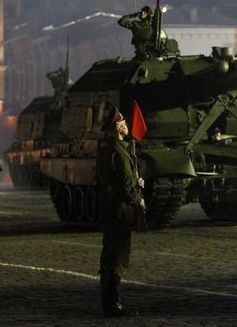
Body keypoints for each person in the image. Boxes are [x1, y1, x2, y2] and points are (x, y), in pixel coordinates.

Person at [96, 108, 146, 317]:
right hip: (121, 211)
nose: (125, 123)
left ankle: (108, 302)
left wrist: (136, 181)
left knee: (108, 256)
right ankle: (113, 304)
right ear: (116, 126)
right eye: (122, 121)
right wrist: (139, 201)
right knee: (118, 257)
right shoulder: (119, 150)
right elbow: (125, 186)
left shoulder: (107, 148)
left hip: (110, 209)